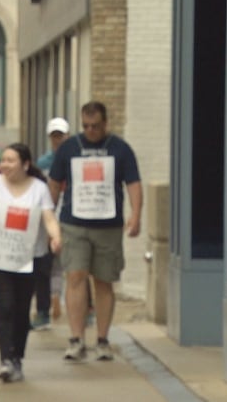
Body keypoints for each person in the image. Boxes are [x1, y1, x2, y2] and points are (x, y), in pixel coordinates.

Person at [48, 101, 142, 362]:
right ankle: (76, 339)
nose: (90, 131)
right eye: (86, 126)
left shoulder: (120, 149)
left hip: (108, 226)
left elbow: (133, 183)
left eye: (96, 126)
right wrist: (49, 222)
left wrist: (136, 215)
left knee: (104, 280)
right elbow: (54, 184)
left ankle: (102, 339)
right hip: (74, 224)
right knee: (75, 275)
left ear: (105, 124)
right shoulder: (69, 148)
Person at [0, 143, 62, 383]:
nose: (5, 165)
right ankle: (5, 360)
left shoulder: (39, 189)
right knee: (6, 307)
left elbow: (49, 217)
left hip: (29, 258)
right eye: (3, 160)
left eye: (11, 160)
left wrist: (55, 236)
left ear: (25, 164)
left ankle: (17, 355)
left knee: (21, 311)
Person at [31, 117, 70, 330]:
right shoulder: (43, 163)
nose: (58, 140)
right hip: (48, 217)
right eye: (54, 136)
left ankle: (87, 310)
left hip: (70, 216)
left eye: (61, 136)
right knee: (44, 265)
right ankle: (44, 309)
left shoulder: (74, 158)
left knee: (74, 264)